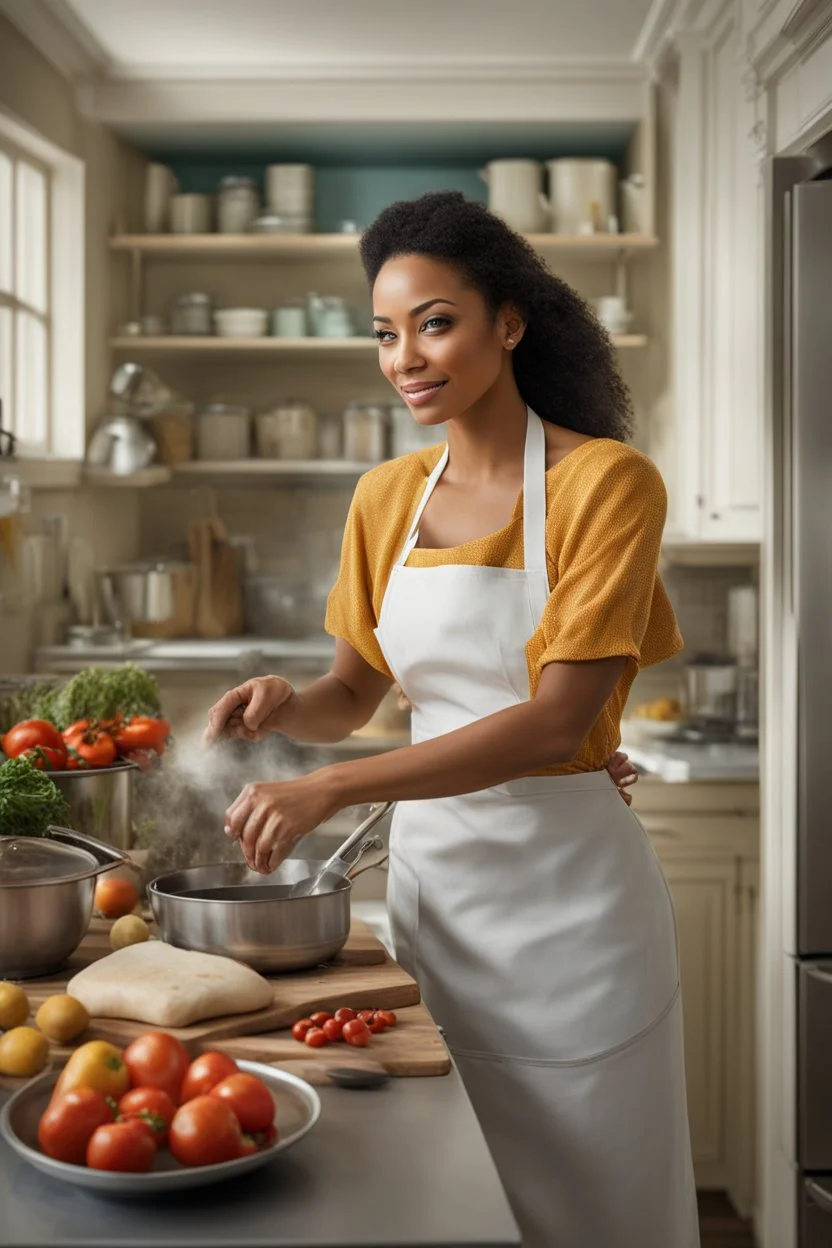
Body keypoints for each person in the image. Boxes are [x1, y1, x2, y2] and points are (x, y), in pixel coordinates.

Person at [205, 191, 698, 1248]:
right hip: (437, 904)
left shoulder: (605, 483)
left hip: (574, 919)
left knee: (599, 1201)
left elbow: (552, 722)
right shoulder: (384, 497)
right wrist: (290, 709)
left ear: (508, 321)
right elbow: (352, 696)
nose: (405, 357)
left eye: (434, 322)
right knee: (444, 1197)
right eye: (385, 333)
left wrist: (328, 783)